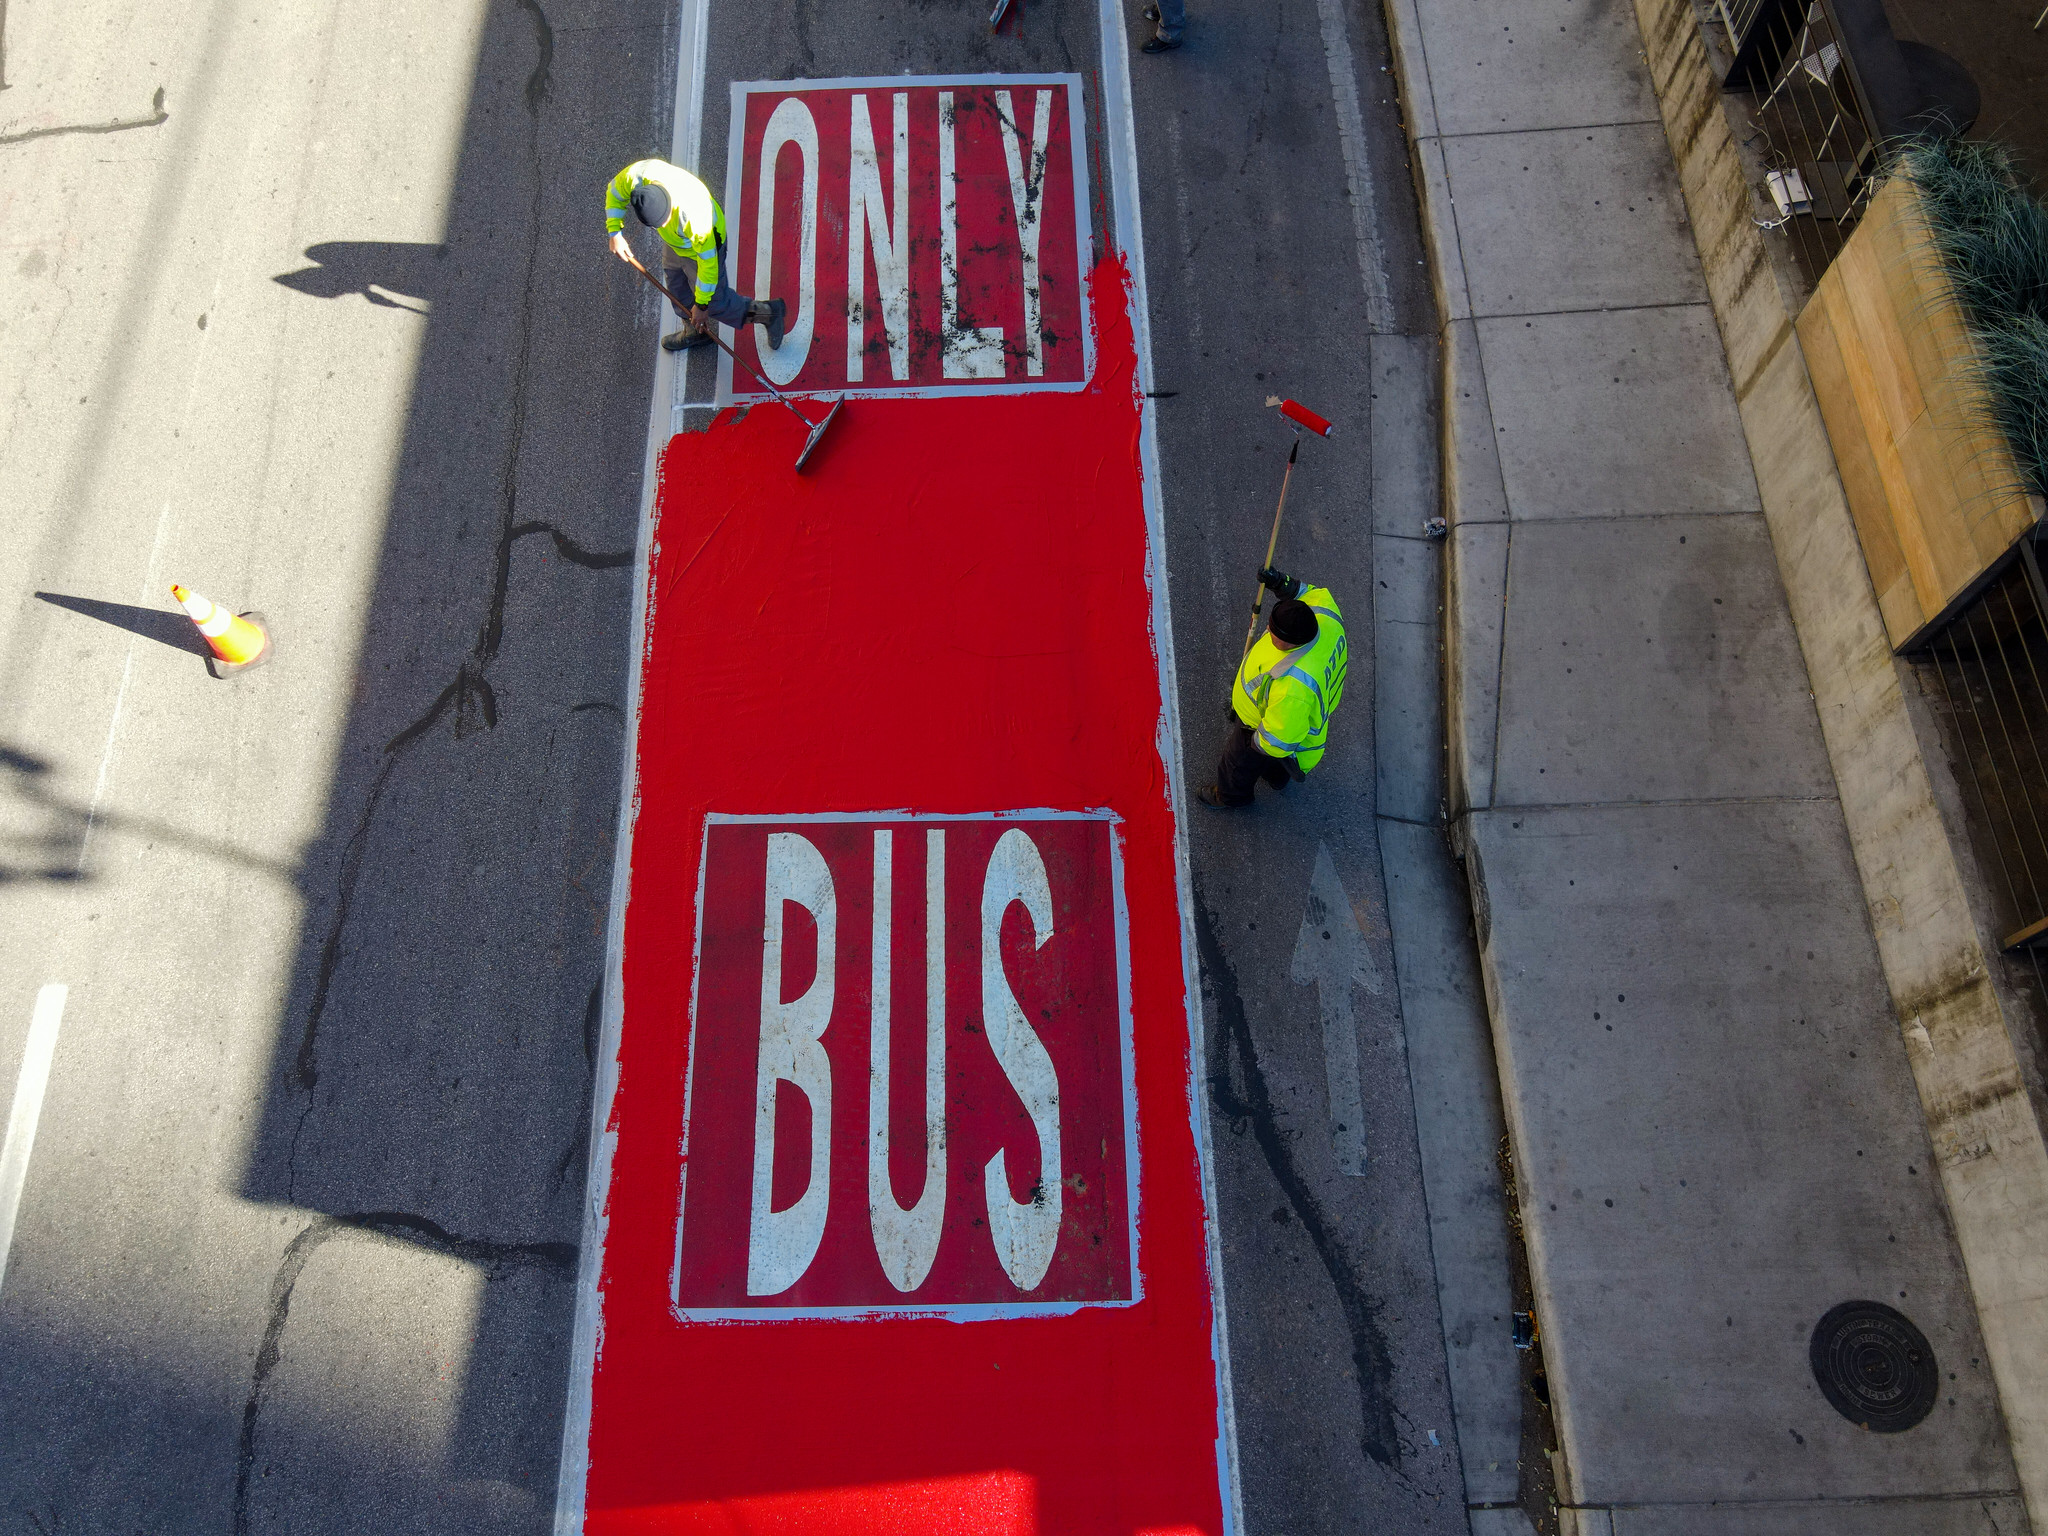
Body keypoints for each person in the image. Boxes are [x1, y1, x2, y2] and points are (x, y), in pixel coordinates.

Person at [1199, 567, 1346, 808]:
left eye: (1273, 632)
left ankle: (1230, 797)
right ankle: (1277, 776)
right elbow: (1308, 592)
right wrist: (1281, 584)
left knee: (1237, 764)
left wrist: (1252, 743)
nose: (1267, 630)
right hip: (1293, 723)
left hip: (1264, 727)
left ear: (1290, 643)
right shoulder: (1325, 615)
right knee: (1277, 764)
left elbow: (1279, 738)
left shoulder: (1292, 686)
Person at [604, 159, 786, 354]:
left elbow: (709, 267)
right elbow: (614, 192)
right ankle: (695, 332)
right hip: (677, 243)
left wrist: (701, 305)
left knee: (716, 304)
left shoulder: (696, 216)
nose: (663, 226)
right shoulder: (638, 176)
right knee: (676, 286)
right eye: (658, 226)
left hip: (703, 249)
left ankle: (768, 313)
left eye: (664, 221)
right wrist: (615, 232)